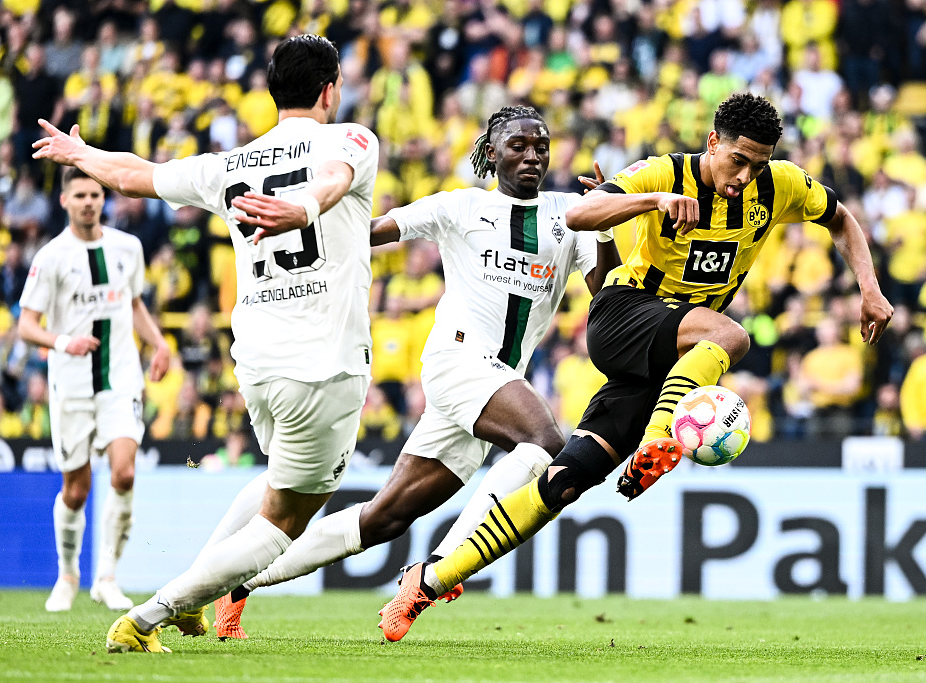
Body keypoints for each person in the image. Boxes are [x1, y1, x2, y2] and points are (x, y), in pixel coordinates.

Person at [378, 93, 894, 640]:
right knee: (731, 334)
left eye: (758, 164)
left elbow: (842, 221)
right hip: (624, 314)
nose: (745, 176)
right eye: (738, 160)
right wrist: (654, 200)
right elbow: (579, 213)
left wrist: (870, 288)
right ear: (713, 141)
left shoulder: (781, 184)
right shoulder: (663, 171)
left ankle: (429, 579)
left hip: (673, 359)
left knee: (564, 481)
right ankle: (658, 439)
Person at [209, 105, 621, 638]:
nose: (533, 156)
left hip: (495, 382)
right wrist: (301, 220)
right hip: (458, 362)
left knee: (384, 518)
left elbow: (606, 296)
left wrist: (605, 224)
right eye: (519, 146)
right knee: (543, 441)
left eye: (541, 146)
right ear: (492, 153)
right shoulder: (460, 207)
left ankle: (237, 583)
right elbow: (374, 230)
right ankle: (434, 573)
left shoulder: (572, 213)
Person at [33, 34, 380, 653]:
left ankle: (189, 600)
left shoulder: (231, 164)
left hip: (256, 364)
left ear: (272, 94)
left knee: (278, 480)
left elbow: (137, 176)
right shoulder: (352, 137)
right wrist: (301, 210)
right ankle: (152, 614)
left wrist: (80, 153)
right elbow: (332, 179)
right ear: (331, 90)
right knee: (290, 519)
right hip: (322, 364)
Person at [17, 167, 171, 613]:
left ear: (104, 200)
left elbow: (135, 303)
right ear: (64, 201)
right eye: (80, 194)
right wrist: (65, 342)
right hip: (71, 384)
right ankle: (67, 576)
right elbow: (27, 325)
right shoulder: (50, 257)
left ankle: (107, 576)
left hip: (121, 379)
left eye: (96, 194)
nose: (89, 201)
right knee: (76, 489)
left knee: (124, 473)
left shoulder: (128, 248)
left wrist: (159, 343)